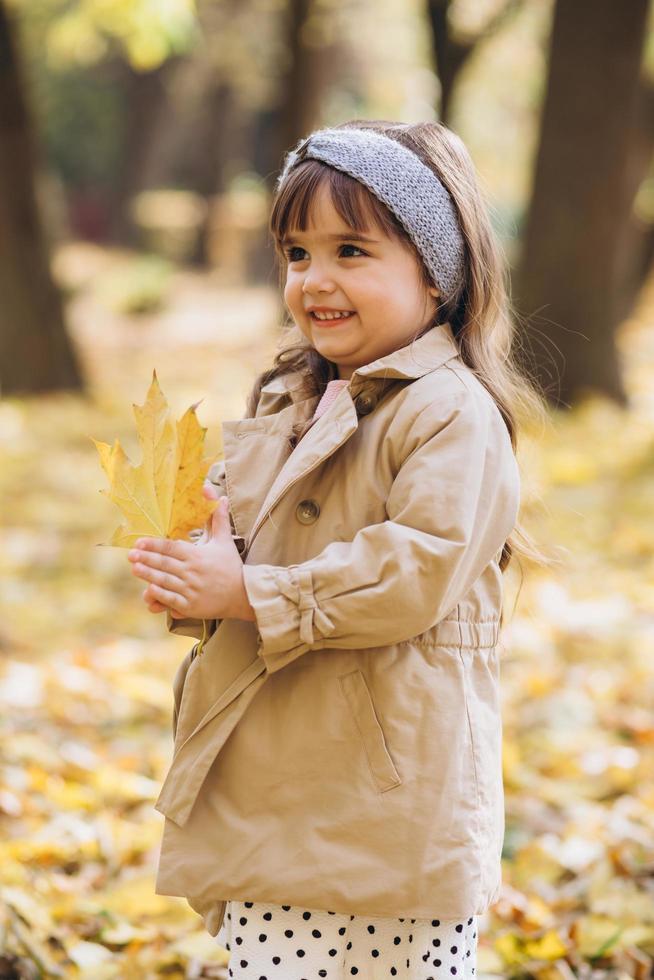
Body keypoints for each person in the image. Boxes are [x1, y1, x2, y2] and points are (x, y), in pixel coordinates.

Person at [127, 119, 546, 979]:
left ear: (437, 273)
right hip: (279, 791)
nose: (315, 280)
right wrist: (202, 579)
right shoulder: (294, 401)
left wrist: (250, 594)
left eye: (352, 250)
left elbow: (417, 568)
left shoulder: (448, 413)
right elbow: (258, 561)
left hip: (383, 808)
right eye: (296, 253)